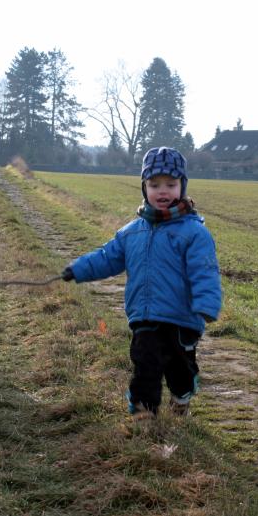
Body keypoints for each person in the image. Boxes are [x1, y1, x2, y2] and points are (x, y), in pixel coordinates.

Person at [61, 147, 222, 420]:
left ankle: (182, 395)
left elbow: (204, 271)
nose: (162, 191)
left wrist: (206, 304)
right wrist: (77, 269)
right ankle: (143, 413)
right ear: (144, 187)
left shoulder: (194, 233)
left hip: (181, 319)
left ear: (182, 187)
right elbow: (107, 257)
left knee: (179, 370)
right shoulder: (131, 232)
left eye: (171, 185)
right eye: (154, 184)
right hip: (144, 315)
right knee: (145, 362)